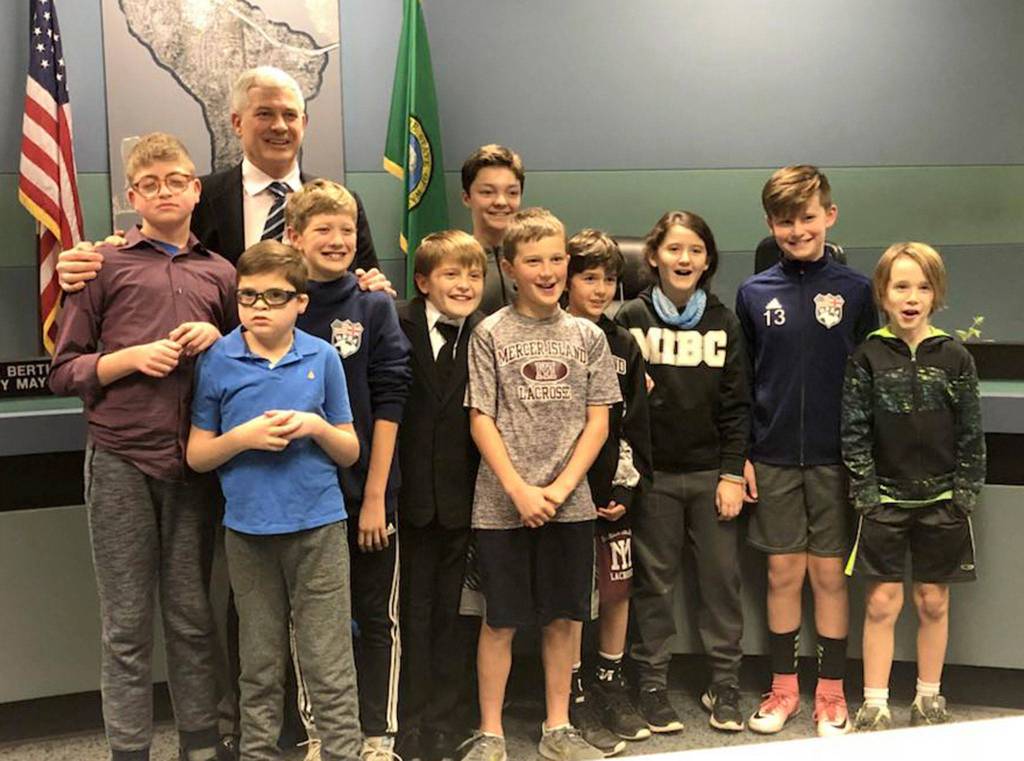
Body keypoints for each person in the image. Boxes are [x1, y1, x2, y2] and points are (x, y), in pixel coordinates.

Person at [49, 132, 236, 761]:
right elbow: (64, 370)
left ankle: (200, 743)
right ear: (133, 196)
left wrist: (219, 338)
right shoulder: (102, 267)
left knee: (191, 616)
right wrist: (128, 359)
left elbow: (249, 363)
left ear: (195, 189)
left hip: (192, 466)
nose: (164, 192)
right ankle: (128, 750)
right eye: (150, 184)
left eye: (175, 181)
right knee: (126, 623)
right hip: (121, 460)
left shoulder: (221, 273)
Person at [187, 242, 362, 761]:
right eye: (247, 296)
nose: (258, 306)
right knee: (259, 663)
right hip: (249, 532)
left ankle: (342, 753)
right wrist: (242, 439)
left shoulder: (322, 356)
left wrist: (315, 426)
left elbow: (350, 449)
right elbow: (198, 455)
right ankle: (258, 752)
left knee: (328, 661)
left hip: (318, 527)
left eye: (274, 296)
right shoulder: (218, 359)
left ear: (300, 302)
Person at [459, 208, 621, 761]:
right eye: (533, 261)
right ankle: (491, 732)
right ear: (509, 268)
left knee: (563, 618)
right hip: (502, 504)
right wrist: (520, 490)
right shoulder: (489, 333)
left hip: (569, 505)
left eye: (556, 259)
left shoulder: (588, 336)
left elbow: (599, 422)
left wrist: (560, 488)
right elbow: (481, 418)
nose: (548, 271)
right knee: (499, 620)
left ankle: (559, 727)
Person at [735, 166, 878, 736]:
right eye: (784, 221)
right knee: (781, 573)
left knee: (829, 576)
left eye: (808, 217)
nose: (797, 230)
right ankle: (783, 689)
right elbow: (743, 382)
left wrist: (863, 458)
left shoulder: (856, 291)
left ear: (830, 216)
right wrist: (743, 455)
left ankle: (832, 693)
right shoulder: (753, 293)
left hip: (834, 459)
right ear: (770, 224)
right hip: (772, 457)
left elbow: (869, 378)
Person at [285, 180, 412, 761]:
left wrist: (376, 497)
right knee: (312, 623)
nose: (338, 240)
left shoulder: (373, 305)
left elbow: (391, 399)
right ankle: (322, 734)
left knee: (376, 619)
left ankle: (376, 736)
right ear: (295, 237)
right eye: (323, 229)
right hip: (303, 500)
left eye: (346, 230)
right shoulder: (281, 307)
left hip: (368, 494)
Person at [56, 66, 380, 288]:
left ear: (304, 124)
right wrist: (93, 259)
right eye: (264, 113)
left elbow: (363, 280)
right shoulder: (197, 198)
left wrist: (372, 285)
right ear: (237, 123)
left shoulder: (341, 203)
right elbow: (148, 256)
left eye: (290, 115)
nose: (280, 126)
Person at [616, 212, 750, 734]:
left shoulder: (723, 321)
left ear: (708, 260)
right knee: (653, 585)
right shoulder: (630, 317)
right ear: (653, 257)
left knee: (721, 582)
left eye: (695, 250)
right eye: (674, 249)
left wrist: (732, 474)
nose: (684, 259)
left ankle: (725, 682)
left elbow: (737, 406)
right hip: (653, 478)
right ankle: (651, 683)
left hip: (712, 475)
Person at [841, 242, 985, 731]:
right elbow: (854, 432)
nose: (912, 297)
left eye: (923, 287)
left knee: (933, 601)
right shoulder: (867, 356)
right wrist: (866, 494)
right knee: (882, 602)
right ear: (883, 293)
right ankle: (875, 702)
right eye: (901, 286)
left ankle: (928, 698)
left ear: (936, 294)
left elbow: (971, 432)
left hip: (942, 503)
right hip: (884, 502)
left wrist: (964, 495)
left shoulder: (955, 356)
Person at [395, 230, 487, 761]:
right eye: (451, 274)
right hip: (406, 500)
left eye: (474, 275)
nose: (464, 284)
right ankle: (407, 720)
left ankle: (446, 722)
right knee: (411, 613)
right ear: (423, 281)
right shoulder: (395, 324)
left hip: (464, 501)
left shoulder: (486, 333)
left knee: (455, 616)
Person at [563, 230, 653, 755]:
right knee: (575, 594)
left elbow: (634, 425)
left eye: (610, 280)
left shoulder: (624, 344)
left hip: (614, 489)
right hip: (565, 492)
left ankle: (610, 679)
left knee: (617, 589)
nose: (600, 289)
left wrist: (626, 484)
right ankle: (572, 687)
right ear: (566, 279)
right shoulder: (553, 336)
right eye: (589, 278)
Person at [460, 145, 525, 315]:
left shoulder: (536, 261)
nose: (501, 202)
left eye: (512, 193)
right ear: (467, 198)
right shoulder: (453, 261)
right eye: (487, 192)